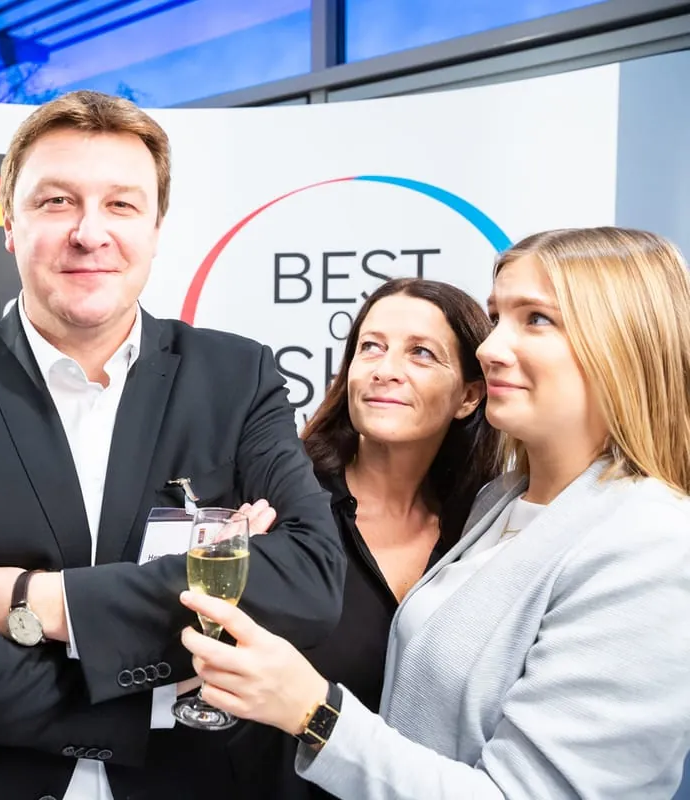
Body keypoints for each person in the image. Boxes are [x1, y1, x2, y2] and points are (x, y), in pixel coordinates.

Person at [0, 89, 346, 799]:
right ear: (10, 223)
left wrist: (43, 601)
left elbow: (308, 582)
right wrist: (152, 699)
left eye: (121, 204)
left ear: (156, 226)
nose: (90, 233)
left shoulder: (237, 378)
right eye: (57, 202)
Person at [179, 226, 690, 798]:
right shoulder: (501, 502)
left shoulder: (652, 543)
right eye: (496, 318)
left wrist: (312, 711)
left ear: (625, 344)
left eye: (536, 319)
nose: (490, 349)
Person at [249, 277, 500, 799]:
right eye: (371, 347)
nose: (386, 369)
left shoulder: (487, 530)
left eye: (421, 353)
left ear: (469, 396)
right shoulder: (277, 509)